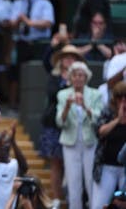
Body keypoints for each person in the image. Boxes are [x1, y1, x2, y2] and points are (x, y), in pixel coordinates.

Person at [39, 44, 84, 208]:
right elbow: (53, 95)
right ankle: (58, 197)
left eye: (73, 57)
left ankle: (70, 195)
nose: (69, 60)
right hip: (53, 124)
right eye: (66, 57)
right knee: (56, 162)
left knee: (70, 162)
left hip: (74, 124)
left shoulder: (80, 76)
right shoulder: (54, 76)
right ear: (61, 60)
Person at [55, 61, 103, 209]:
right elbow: (59, 122)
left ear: (86, 77)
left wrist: (85, 107)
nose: (78, 78)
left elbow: (98, 118)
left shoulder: (95, 94)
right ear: (71, 77)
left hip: (89, 141)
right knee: (73, 181)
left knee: (91, 180)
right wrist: (68, 107)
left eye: (81, 75)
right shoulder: (63, 94)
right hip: (70, 142)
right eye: (75, 75)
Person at [92, 81, 126, 209]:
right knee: (99, 204)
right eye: (120, 97)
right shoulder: (108, 111)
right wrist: (118, 119)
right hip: (106, 166)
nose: (123, 101)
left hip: (125, 167)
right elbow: (99, 132)